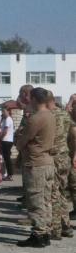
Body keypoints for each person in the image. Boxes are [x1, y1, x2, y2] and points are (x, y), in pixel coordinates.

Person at [16, 88, 56, 247]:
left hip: (36, 162)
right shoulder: (51, 116)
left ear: (33, 98)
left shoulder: (35, 119)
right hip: (48, 161)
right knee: (46, 200)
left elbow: (22, 142)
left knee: (35, 201)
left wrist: (18, 138)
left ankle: (38, 234)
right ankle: (45, 231)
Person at [46, 91, 73, 240]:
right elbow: (73, 132)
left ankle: (55, 228)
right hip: (64, 155)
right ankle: (66, 225)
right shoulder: (64, 114)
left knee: (53, 192)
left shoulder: (48, 115)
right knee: (62, 192)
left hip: (54, 156)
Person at [0, 106, 15, 181]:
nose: (2, 113)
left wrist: (0, 138)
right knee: (5, 158)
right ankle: (5, 173)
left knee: (7, 158)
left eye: (4, 111)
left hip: (7, 140)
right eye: (2, 111)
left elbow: (5, 131)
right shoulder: (4, 119)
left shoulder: (8, 120)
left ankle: (10, 174)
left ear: (8, 111)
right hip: (4, 140)